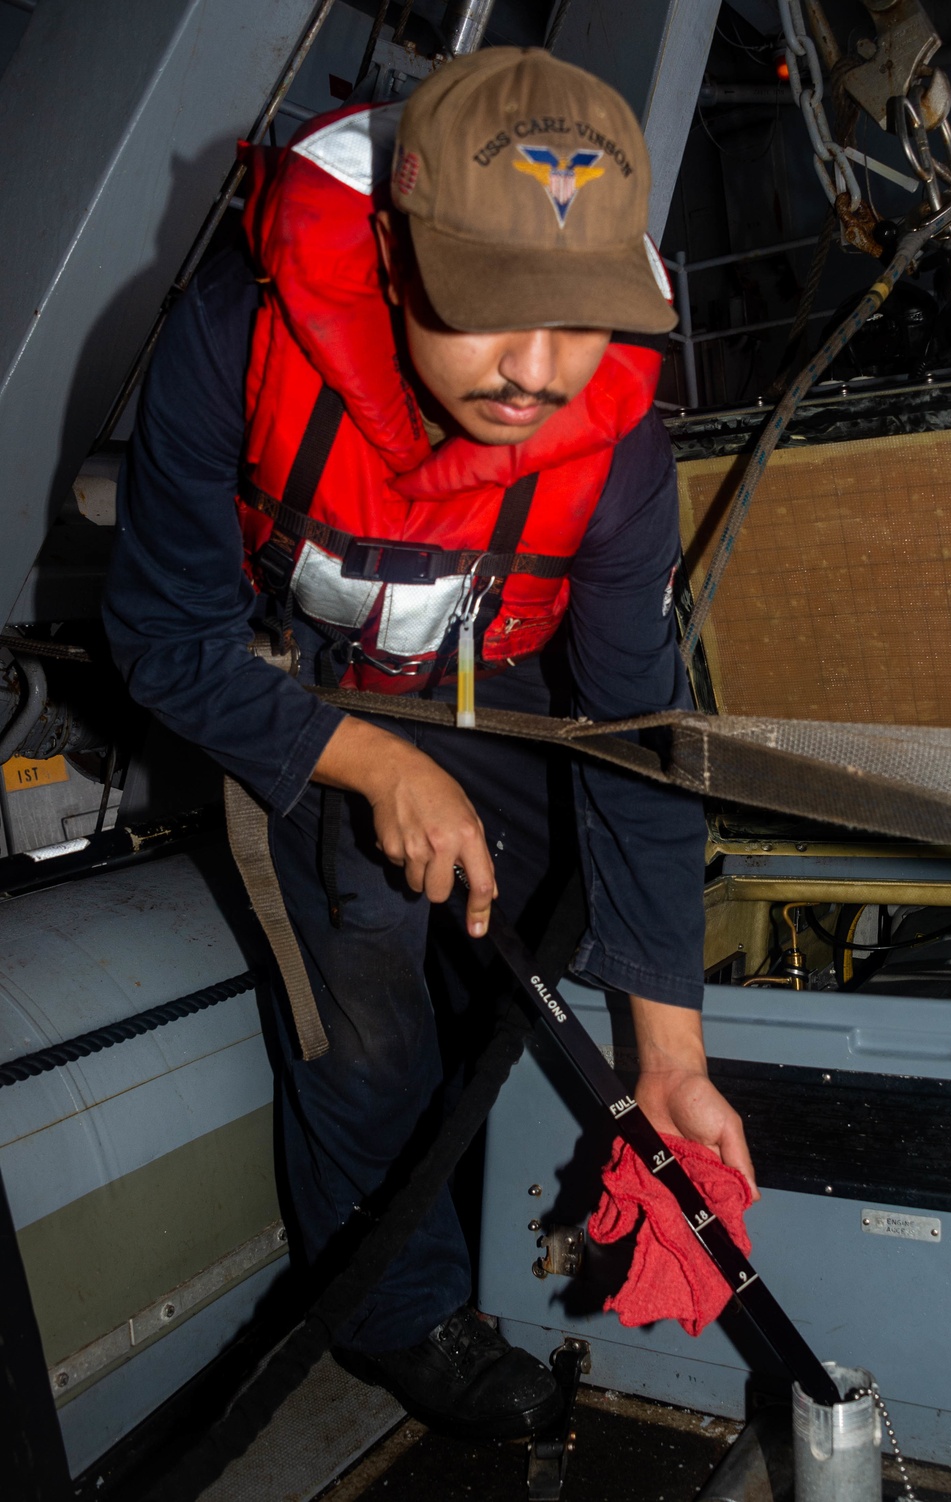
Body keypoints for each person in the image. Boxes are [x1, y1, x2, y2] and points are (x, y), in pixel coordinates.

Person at [104, 46, 756, 1438]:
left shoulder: (620, 442)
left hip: (484, 665)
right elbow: (163, 636)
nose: (535, 375)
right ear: (396, 258)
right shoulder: (238, 330)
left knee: (585, 906)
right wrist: (372, 762)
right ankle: (405, 1318)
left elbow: (638, 734)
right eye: (490, 313)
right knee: (368, 997)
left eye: (575, 323)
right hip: (292, 679)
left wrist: (673, 1054)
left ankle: (488, 1134)